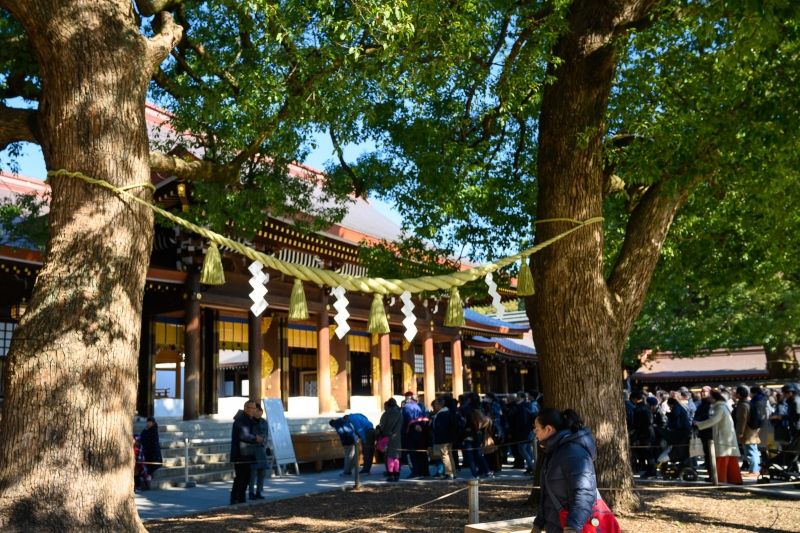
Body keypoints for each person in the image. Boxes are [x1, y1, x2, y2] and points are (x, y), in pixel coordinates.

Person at [531, 408, 616, 533]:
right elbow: (548, 495)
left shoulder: (572, 452)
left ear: (548, 429)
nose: (535, 434)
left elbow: (584, 492)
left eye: (537, 429)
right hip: (556, 524)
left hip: (572, 526)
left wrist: (572, 528)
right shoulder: (554, 451)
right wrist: (539, 523)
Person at [694, 390, 742, 485]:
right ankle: (735, 480)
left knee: (721, 460)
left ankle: (720, 481)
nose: (709, 399)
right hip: (727, 437)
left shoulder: (719, 408)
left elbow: (713, 420)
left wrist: (699, 424)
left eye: (711, 397)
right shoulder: (723, 406)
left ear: (714, 398)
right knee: (731, 461)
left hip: (723, 438)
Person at [230, 400, 264, 504]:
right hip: (241, 454)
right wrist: (255, 438)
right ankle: (236, 498)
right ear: (246, 408)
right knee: (241, 477)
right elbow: (243, 435)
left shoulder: (249, 419)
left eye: (254, 408)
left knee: (246, 477)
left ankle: (241, 497)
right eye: (251, 408)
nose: (253, 410)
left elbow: (257, 426)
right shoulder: (241, 419)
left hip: (248, 453)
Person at [379, 398, 403, 482]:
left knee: (389, 457)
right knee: (396, 457)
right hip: (397, 437)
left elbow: (382, 425)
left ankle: (391, 474)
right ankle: (397, 474)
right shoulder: (400, 414)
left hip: (387, 437)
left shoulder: (386, 414)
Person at [249, 404, 270, 499]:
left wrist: (263, 439)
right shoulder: (249, 421)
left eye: (260, 412)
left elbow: (265, 434)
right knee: (253, 472)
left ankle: (259, 491)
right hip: (252, 450)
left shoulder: (264, 422)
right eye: (257, 411)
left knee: (262, 472)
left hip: (261, 449)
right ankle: (251, 492)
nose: (259, 413)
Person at [138, 416, 162, 488]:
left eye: (150, 422)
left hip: (153, 453)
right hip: (146, 451)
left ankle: (147, 480)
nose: (148, 423)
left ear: (153, 423)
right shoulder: (146, 430)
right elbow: (142, 437)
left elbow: (153, 442)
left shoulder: (154, 431)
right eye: (147, 422)